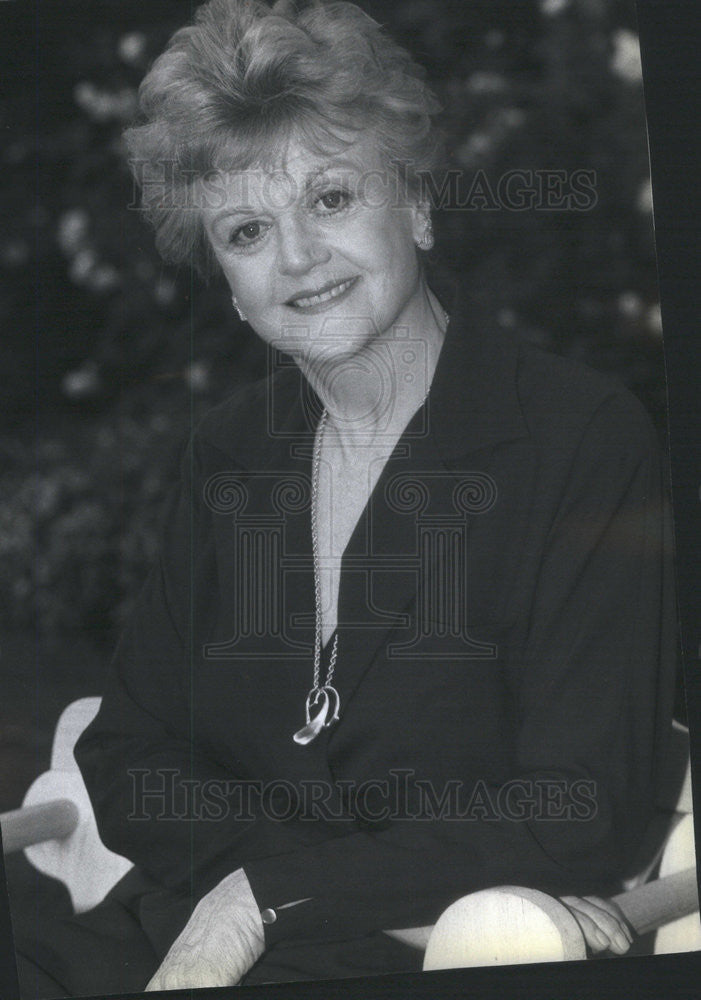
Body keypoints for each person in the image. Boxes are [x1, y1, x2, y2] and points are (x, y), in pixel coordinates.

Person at [13, 0, 675, 993]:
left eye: (329, 198)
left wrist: (268, 894)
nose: (296, 259)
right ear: (229, 286)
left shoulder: (577, 438)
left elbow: (576, 807)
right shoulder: (229, 454)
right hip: (182, 931)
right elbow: (127, 754)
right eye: (245, 230)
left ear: (413, 202)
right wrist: (263, 889)